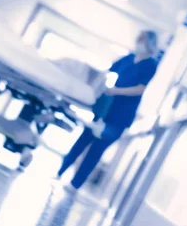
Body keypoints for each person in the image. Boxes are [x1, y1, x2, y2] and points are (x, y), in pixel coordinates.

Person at [57, 31, 159, 190]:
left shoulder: (150, 65)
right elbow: (108, 73)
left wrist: (116, 91)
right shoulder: (127, 58)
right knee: (81, 142)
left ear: (150, 44)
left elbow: (140, 89)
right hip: (105, 110)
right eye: (138, 39)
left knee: (95, 151)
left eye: (142, 40)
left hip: (120, 117)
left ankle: (74, 184)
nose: (138, 43)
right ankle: (59, 172)